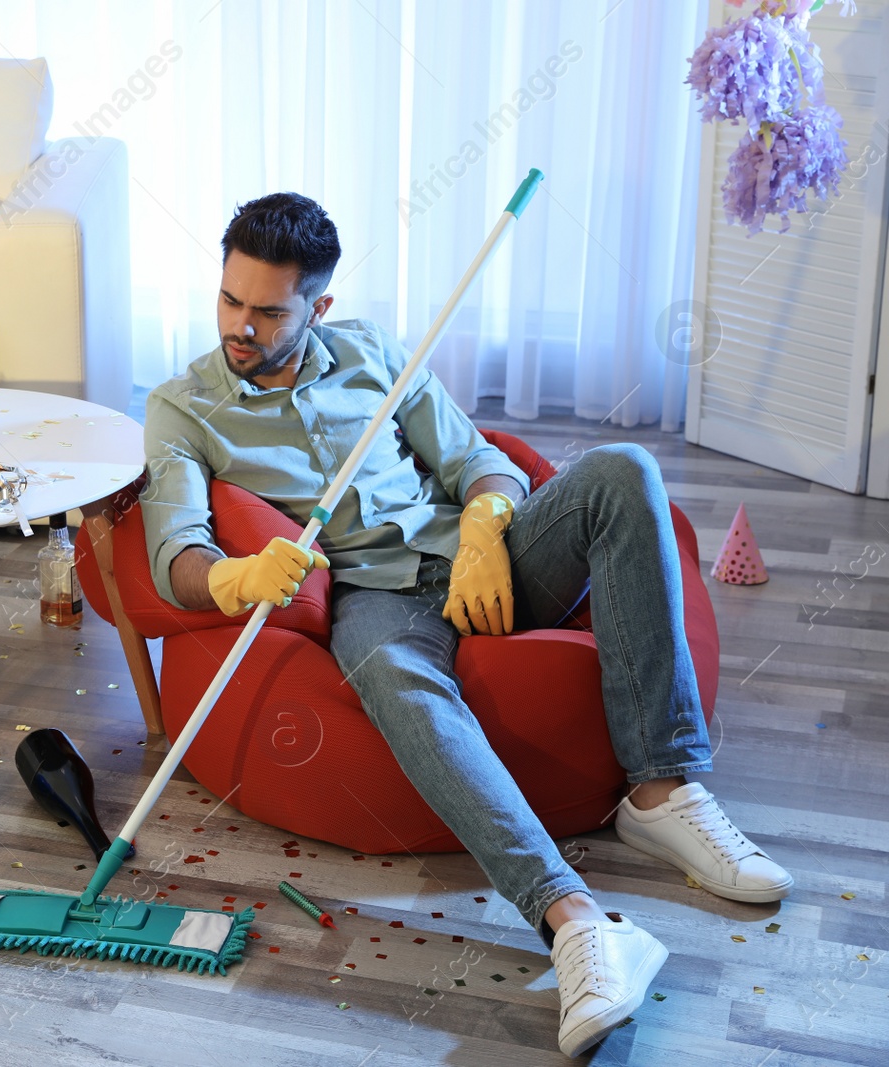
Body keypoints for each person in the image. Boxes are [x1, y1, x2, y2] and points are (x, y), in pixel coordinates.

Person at [139, 192, 792, 1058]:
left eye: (268, 310)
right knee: (390, 679)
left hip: (488, 564)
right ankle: (579, 922)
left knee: (625, 470)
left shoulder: (369, 349)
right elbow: (173, 554)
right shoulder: (183, 408)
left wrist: (487, 526)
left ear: (319, 307)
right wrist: (235, 575)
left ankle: (661, 788)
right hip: (376, 599)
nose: (241, 326)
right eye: (230, 300)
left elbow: (475, 457)